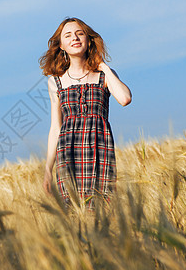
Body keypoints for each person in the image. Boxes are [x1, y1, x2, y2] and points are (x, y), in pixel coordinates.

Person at [39, 17, 131, 209]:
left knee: (102, 207)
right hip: (68, 152)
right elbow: (55, 128)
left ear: (88, 40)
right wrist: (48, 169)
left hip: (100, 148)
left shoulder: (105, 75)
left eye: (80, 33)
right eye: (68, 35)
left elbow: (124, 99)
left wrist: (103, 65)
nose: (75, 38)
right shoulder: (55, 82)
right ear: (62, 45)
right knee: (73, 210)